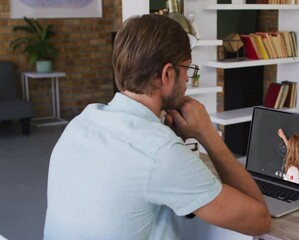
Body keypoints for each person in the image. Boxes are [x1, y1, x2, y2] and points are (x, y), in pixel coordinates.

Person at [43, 14, 270, 239]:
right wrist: (207, 133)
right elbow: (259, 221)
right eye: (187, 70)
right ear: (167, 74)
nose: (187, 81)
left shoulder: (81, 122)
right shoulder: (161, 152)